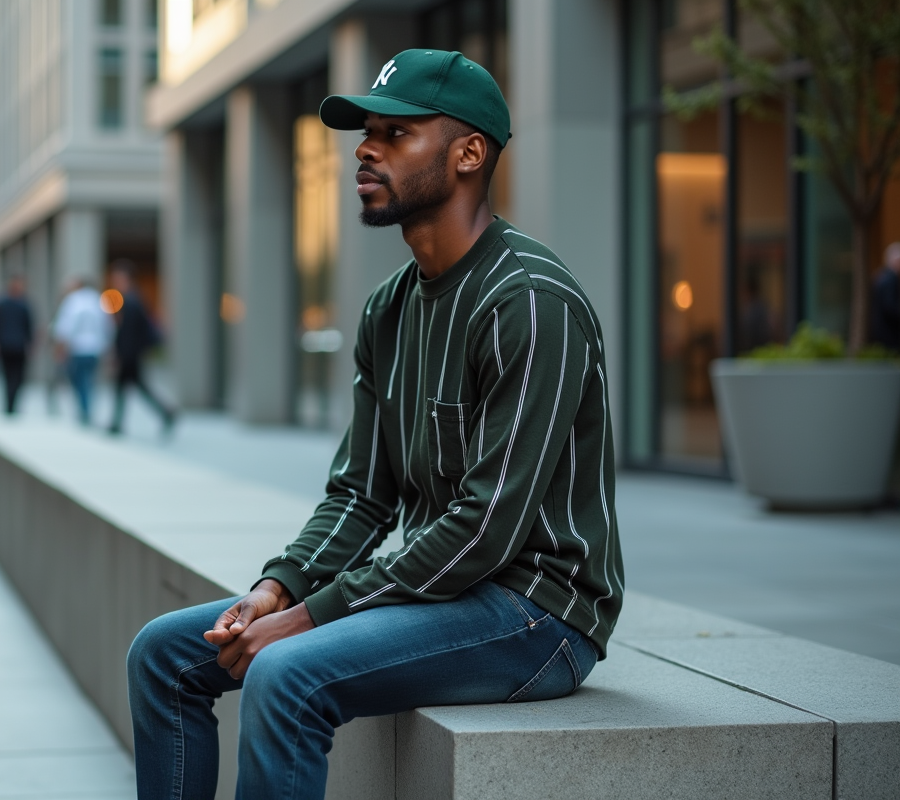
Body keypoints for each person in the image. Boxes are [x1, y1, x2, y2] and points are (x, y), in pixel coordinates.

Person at [127, 49, 623, 800]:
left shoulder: (528, 302)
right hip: (447, 590)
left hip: (537, 612)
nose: (365, 146)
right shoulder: (388, 309)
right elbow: (361, 493)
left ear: (468, 154)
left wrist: (308, 621)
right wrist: (278, 588)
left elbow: (487, 527)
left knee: (286, 673)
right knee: (161, 654)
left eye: (396, 133)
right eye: (366, 131)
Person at [106, 261, 175, 435]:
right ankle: (165, 413)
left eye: (118, 278)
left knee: (128, 387)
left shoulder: (131, 301)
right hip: (133, 353)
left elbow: (128, 333)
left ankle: (118, 423)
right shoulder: (135, 299)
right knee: (132, 387)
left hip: (130, 354)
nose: (115, 282)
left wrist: (120, 354)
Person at [52, 276, 111, 424]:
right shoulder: (98, 300)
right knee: (89, 379)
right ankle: (87, 407)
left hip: (78, 348)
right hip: (95, 348)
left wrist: (60, 347)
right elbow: (107, 326)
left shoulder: (73, 301)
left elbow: (66, 327)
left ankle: (84, 409)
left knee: (79, 380)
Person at [0, 275, 36, 415]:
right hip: (6, 346)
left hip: (18, 346)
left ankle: (12, 404)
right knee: (8, 376)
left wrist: (30, 343)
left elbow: (29, 326)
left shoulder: (23, 304)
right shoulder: (3, 304)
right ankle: (9, 405)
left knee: (17, 377)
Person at [869, 242, 900, 351]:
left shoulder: (882, 276)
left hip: (881, 329)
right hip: (889, 331)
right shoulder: (890, 279)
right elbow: (889, 305)